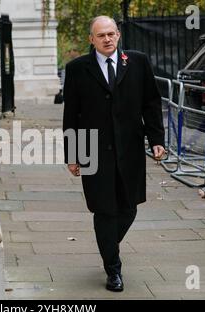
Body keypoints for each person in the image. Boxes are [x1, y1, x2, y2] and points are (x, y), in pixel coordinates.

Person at [62, 16, 165, 292]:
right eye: (101, 35)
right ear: (91, 39)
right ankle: (113, 270)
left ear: (118, 35)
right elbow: (71, 113)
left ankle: (107, 244)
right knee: (105, 210)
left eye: (111, 33)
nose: (107, 39)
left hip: (130, 150)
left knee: (129, 208)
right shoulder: (76, 69)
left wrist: (156, 139)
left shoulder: (138, 62)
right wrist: (72, 154)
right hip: (94, 151)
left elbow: (151, 103)